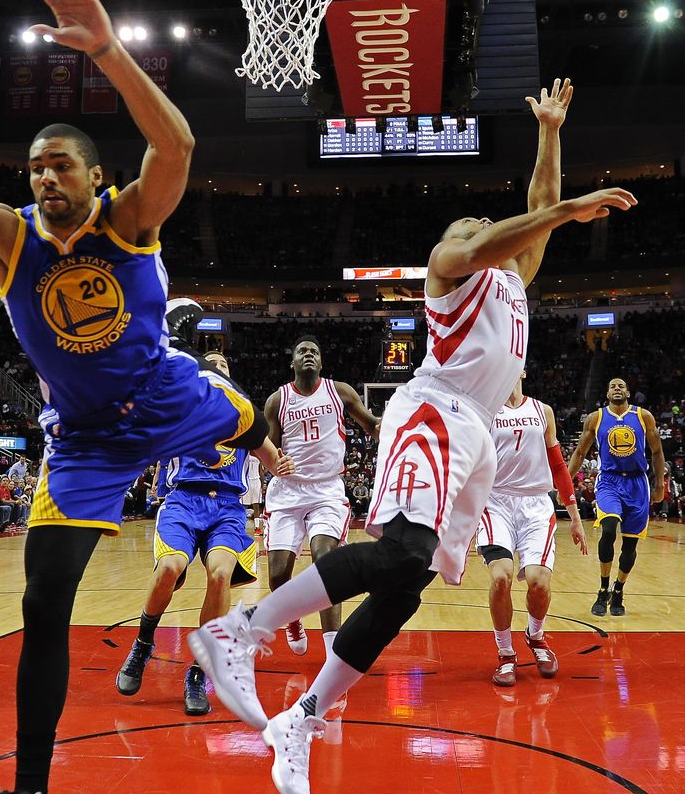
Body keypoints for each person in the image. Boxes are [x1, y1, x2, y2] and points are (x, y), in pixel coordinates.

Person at [0, 0, 292, 794]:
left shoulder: (130, 219)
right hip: (85, 439)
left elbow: (178, 145)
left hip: (167, 399)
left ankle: (264, 443)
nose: (46, 177)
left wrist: (109, 52)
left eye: (61, 164)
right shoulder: (4, 236)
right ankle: (30, 783)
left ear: (95, 175)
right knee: (42, 605)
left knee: (239, 416)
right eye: (35, 168)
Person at [188, 79, 636, 794]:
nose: (482, 226)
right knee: (397, 548)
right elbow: (507, 229)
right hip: (433, 410)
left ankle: (300, 719)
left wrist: (550, 133)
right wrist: (566, 208)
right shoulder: (448, 266)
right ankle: (240, 629)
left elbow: (532, 221)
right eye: (472, 224)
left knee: (408, 583)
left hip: (476, 437)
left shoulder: (514, 280)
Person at [116, 351, 267, 715]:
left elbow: (273, 456)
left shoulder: (245, 417)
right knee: (169, 567)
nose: (218, 367)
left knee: (220, 575)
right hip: (184, 500)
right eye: (210, 362)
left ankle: (198, 673)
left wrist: (288, 466)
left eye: (225, 364)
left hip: (228, 507)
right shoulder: (177, 407)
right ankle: (142, 644)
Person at [263, 335, 381, 658]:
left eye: (315, 351)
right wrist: (276, 463)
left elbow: (373, 426)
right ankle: (293, 618)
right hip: (288, 491)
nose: (309, 355)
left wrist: (399, 426)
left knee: (325, 560)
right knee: (277, 575)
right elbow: (268, 451)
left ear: (322, 361)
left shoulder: (339, 391)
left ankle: (333, 651)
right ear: (293, 362)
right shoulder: (277, 400)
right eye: (302, 351)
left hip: (326, 489)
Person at [476, 372, 588, 687]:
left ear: (524, 370)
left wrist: (575, 516)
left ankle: (536, 637)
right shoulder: (485, 410)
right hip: (495, 502)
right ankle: (506, 653)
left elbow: (558, 466)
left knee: (539, 583)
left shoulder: (543, 411)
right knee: (501, 578)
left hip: (536, 505)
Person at [568, 377, 664, 618]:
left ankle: (618, 589)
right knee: (609, 529)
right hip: (610, 481)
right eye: (613, 386)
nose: (617, 389)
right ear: (608, 393)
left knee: (630, 545)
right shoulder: (596, 418)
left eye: (621, 386)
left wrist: (660, 483)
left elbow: (657, 451)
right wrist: (565, 484)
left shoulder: (643, 416)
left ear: (628, 393)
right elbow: (580, 452)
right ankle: (603, 589)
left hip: (637, 482)